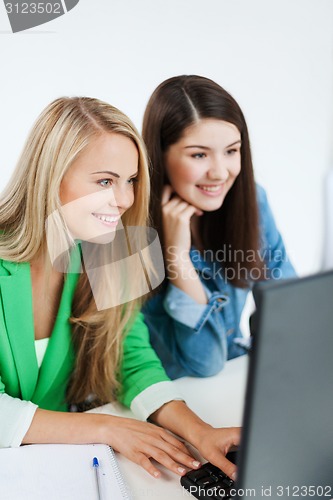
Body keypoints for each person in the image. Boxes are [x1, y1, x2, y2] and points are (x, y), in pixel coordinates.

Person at [0, 97, 239, 480]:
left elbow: (131, 360)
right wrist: (105, 429)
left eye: (130, 180)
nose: (126, 199)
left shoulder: (108, 252)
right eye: (105, 181)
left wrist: (201, 432)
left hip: (56, 468)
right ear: (51, 175)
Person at [142, 75, 296, 379]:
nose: (220, 172)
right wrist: (177, 259)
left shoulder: (251, 200)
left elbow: (289, 307)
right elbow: (205, 362)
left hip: (234, 378)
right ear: (160, 154)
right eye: (199, 154)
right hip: (171, 396)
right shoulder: (125, 229)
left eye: (231, 151)